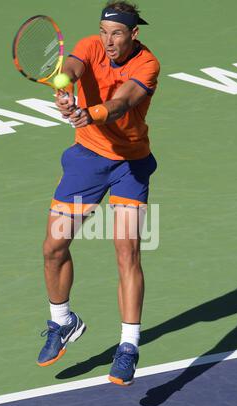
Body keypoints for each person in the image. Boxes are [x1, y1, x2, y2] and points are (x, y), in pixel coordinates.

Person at [37, 0, 160, 386]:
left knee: (127, 251)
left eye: (117, 34)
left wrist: (90, 113)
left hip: (129, 166)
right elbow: (72, 66)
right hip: (87, 161)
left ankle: (128, 346)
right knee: (53, 247)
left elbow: (122, 103)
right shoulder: (91, 44)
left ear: (134, 34)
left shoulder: (148, 66)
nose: (108, 42)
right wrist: (65, 86)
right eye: (104, 32)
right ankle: (62, 322)